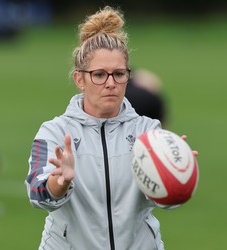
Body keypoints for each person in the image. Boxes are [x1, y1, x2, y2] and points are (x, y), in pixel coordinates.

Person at [25, 6, 195, 250]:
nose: (111, 83)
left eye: (119, 74)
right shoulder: (54, 132)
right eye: (99, 75)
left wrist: (177, 178)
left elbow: (164, 202)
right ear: (79, 79)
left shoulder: (148, 132)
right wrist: (58, 184)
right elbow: (36, 192)